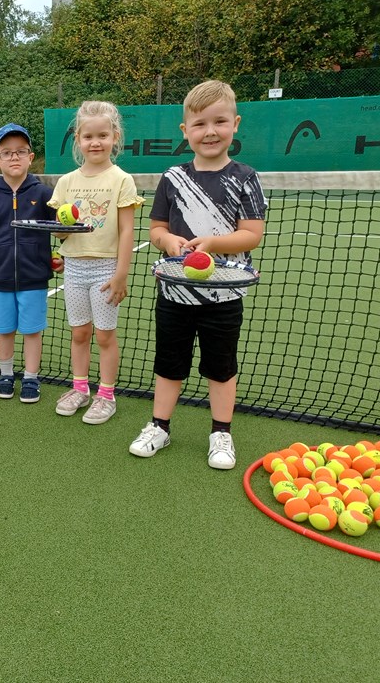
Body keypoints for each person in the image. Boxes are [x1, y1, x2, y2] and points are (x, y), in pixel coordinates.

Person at [129, 80, 266, 469]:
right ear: (185, 130)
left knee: (221, 367)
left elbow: (251, 235)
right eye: (200, 124)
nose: (210, 131)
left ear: (235, 124)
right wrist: (170, 242)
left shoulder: (245, 177)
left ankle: (221, 433)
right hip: (175, 294)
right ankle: (159, 426)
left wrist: (210, 243)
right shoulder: (172, 177)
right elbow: (156, 229)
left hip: (225, 296)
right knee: (169, 363)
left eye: (219, 121)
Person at [48, 101, 144, 425]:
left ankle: (106, 395)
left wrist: (121, 275)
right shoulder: (65, 183)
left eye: (103, 135)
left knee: (104, 336)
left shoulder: (122, 180)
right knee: (79, 333)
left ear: (115, 136)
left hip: (106, 269)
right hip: (74, 268)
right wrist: (60, 231)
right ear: (78, 139)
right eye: (88, 136)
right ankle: (80, 389)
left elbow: (128, 229)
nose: (95, 142)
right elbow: (61, 233)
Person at [0, 123, 55, 403]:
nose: (14, 157)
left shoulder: (44, 194)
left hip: (34, 278)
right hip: (0, 280)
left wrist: (59, 257)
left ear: (31, 157)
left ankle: (31, 378)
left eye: (21, 151)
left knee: (32, 331)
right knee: (4, 330)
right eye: (6, 153)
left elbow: (60, 230)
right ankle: (6, 375)